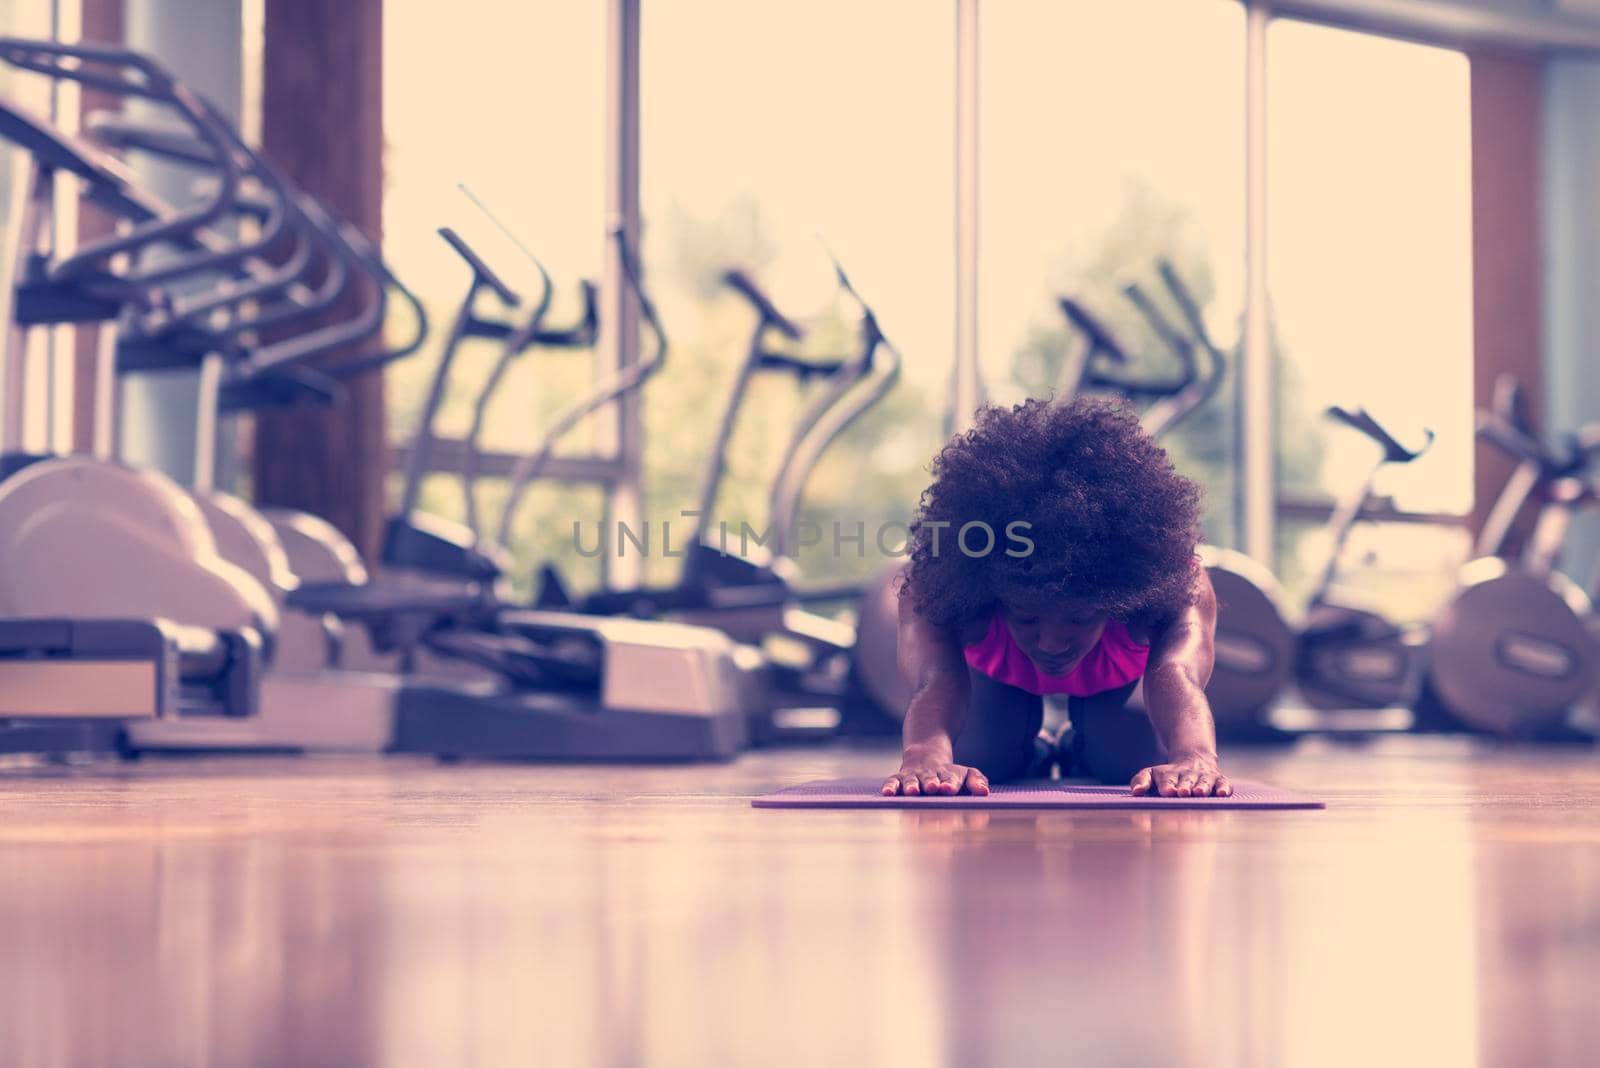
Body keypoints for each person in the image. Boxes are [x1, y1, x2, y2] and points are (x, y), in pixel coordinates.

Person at [881, 397, 1230, 798]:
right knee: (983, 757)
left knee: (1128, 761)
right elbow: (935, 678)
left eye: (1079, 618)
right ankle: (1034, 751)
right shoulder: (940, 588)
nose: (1051, 643)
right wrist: (925, 756)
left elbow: (1178, 674)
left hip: (1115, 684)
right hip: (995, 680)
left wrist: (1196, 756)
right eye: (1028, 618)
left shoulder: (1174, 588)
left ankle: (1077, 749)